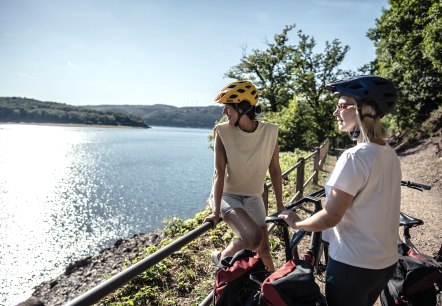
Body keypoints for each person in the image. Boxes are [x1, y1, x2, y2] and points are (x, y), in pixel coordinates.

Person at [279, 75, 401, 306]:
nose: (336, 112)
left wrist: (296, 223)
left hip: (353, 265)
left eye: (343, 105)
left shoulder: (354, 157)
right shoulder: (388, 153)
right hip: (384, 262)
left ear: (363, 110)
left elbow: (331, 216)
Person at [204, 80, 284, 272]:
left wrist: (281, 205)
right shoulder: (222, 132)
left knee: (264, 248)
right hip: (227, 196)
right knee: (253, 237)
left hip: (254, 196)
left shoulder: (270, 132)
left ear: (244, 107)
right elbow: (219, 173)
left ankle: (272, 284)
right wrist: (216, 211)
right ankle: (222, 257)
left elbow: (275, 169)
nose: (224, 113)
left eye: (228, 107)